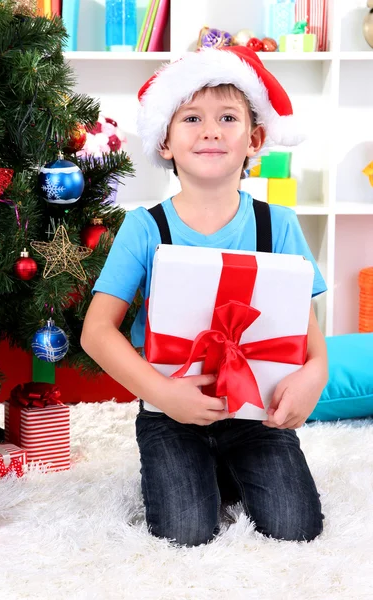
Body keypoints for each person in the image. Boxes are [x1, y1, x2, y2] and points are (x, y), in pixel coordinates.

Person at [81, 46, 328, 547]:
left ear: (254, 140)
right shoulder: (143, 227)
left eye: (228, 118)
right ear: (165, 142)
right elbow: (96, 331)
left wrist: (312, 380)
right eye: (191, 117)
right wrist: (163, 394)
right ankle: (193, 468)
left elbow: (311, 342)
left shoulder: (277, 224)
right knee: (186, 532)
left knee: (295, 527)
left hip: (256, 418)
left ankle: (226, 469)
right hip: (170, 415)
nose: (211, 130)